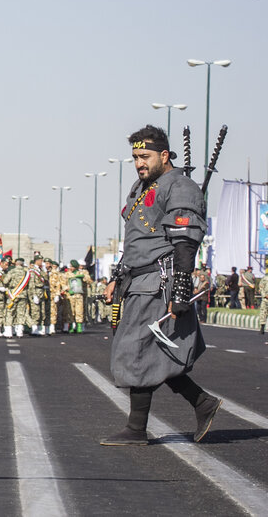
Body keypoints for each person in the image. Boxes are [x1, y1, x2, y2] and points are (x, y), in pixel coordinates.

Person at [102, 125, 221, 446]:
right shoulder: (140, 188)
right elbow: (136, 241)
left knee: (137, 350)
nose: (139, 163)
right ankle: (203, 403)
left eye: (145, 156)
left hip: (160, 282)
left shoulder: (180, 186)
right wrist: (117, 278)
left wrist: (181, 287)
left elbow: (185, 241)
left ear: (164, 155)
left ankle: (137, 429)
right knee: (154, 352)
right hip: (137, 280)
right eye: (135, 157)